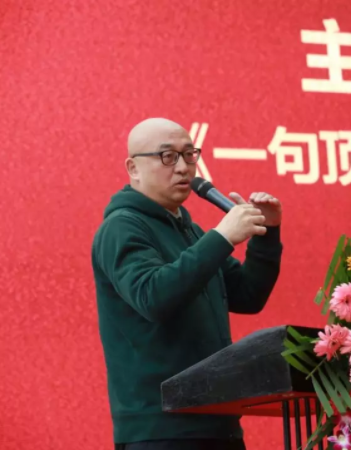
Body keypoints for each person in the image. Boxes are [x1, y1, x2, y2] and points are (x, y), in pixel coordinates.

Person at [91, 118, 283, 450]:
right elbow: (153, 297)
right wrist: (222, 237)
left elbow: (248, 295)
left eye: (189, 154)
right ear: (133, 168)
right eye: (167, 156)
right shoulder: (122, 227)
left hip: (218, 418)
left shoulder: (190, 231)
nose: (183, 168)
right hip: (161, 428)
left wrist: (267, 234)